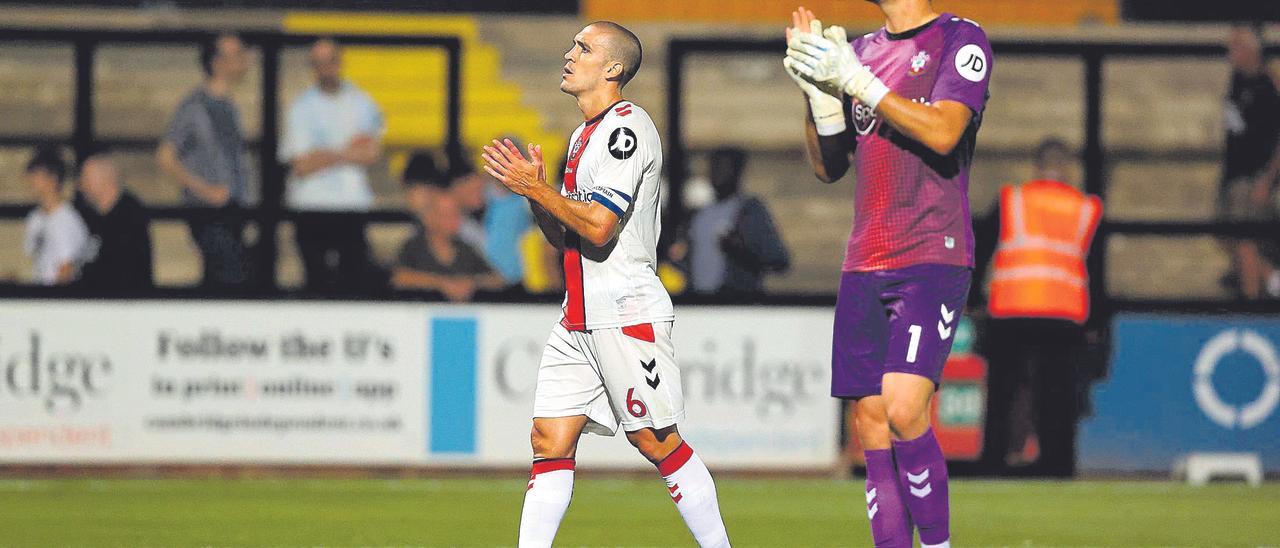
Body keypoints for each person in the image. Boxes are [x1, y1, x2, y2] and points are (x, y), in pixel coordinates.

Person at [481, 21, 731, 548]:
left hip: (623, 309)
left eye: (584, 48)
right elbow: (565, 234)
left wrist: (538, 188)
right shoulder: (582, 136)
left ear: (613, 68)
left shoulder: (626, 128)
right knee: (548, 438)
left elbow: (599, 225)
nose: (570, 54)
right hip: (580, 315)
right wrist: (535, 194)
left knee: (656, 441)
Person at [785, 2, 992, 546]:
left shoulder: (959, 38)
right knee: (871, 423)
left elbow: (945, 131)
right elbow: (830, 167)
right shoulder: (858, 51)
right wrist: (818, 97)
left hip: (932, 253)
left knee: (903, 408)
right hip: (865, 260)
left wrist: (857, 81)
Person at [981, 138, 1102, 476]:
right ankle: (1058, 465)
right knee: (1057, 395)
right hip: (1063, 315)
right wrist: (1096, 324)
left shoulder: (1012, 200)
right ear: (1067, 168)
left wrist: (974, 298)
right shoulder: (1085, 208)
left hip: (1010, 309)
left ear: (1036, 167)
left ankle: (993, 463)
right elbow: (1096, 272)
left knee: (1002, 394)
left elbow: (979, 249)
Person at [280, 38, 384, 293]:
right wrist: (348, 152)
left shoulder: (361, 102)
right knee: (316, 283)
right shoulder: (301, 107)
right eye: (319, 63)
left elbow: (372, 153)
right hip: (311, 206)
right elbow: (301, 165)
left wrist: (323, 155)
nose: (326, 68)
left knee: (353, 282)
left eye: (331, 61)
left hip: (351, 205)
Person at [157, 32, 254, 290]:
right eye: (236, 55)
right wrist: (205, 190)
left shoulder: (229, 107)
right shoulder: (194, 107)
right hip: (208, 211)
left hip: (234, 210)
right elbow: (166, 156)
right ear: (216, 62)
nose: (242, 61)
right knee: (228, 274)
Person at [1219, 24, 1280, 299]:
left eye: (1237, 46)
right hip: (1233, 174)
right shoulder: (1237, 80)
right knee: (1224, 234)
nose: (1231, 53)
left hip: (1252, 176)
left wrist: (1266, 181)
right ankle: (1272, 278)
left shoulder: (1267, 86)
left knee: (1246, 240)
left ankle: (1251, 303)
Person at [392, 164, 505, 301]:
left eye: (456, 215)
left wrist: (471, 283)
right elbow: (400, 277)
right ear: (430, 218)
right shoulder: (414, 246)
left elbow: (497, 279)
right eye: (446, 215)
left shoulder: (465, 249)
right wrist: (441, 284)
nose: (454, 221)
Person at [688, 147, 790, 295]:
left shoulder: (749, 211)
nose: (717, 173)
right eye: (714, 166)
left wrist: (740, 249)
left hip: (735, 305)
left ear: (737, 171)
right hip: (700, 304)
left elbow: (779, 260)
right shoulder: (700, 213)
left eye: (724, 167)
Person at [75, 147, 154, 292]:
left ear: (105, 178)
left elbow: (127, 271)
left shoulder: (131, 216)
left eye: (86, 178)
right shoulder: (87, 217)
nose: (80, 185)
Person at [22, 145, 89, 286]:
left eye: (36, 175)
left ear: (52, 179)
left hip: (57, 301)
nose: (30, 181)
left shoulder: (66, 219)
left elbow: (67, 269)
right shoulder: (35, 218)